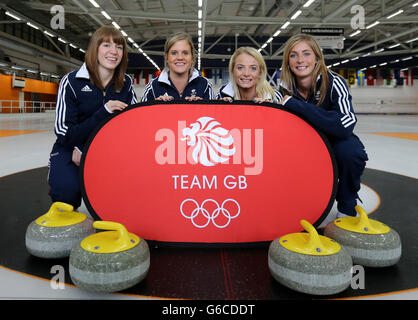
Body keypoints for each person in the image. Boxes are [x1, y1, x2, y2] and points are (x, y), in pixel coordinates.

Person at [277, 33, 368, 219]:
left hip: (334, 141)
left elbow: (345, 124)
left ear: (317, 57)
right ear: (288, 62)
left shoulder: (335, 82)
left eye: (306, 53)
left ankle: (347, 204)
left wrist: (297, 105)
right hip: (303, 145)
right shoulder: (283, 90)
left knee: (351, 151)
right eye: (293, 55)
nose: (300, 60)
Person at [48, 26, 138, 209]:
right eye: (106, 45)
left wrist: (86, 148)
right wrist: (103, 111)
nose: (114, 51)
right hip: (69, 148)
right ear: (94, 49)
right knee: (67, 191)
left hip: (107, 150)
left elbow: (132, 128)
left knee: (127, 192)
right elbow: (65, 133)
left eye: (119, 47)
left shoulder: (126, 84)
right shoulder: (71, 82)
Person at [141, 32, 213, 102]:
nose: (180, 57)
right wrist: (155, 107)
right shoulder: (152, 87)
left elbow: (213, 113)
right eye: (174, 53)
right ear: (166, 57)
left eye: (185, 53)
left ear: (192, 57)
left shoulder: (205, 85)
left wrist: (202, 107)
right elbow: (139, 113)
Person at [216, 46, 281, 103]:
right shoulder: (222, 93)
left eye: (253, 68)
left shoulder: (274, 97)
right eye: (240, 68)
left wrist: (269, 109)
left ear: (260, 72)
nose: (246, 74)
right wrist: (223, 109)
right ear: (232, 71)